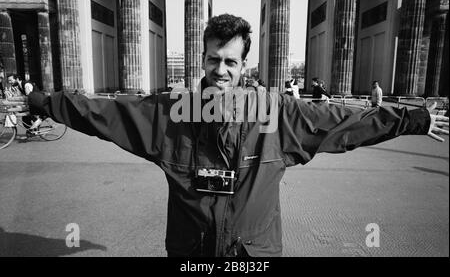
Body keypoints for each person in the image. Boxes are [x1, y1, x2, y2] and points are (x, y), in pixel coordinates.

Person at [28, 14, 449, 257]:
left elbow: (340, 121)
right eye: (214, 59)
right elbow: (102, 112)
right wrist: (44, 101)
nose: (221, 70)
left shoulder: (275, 113)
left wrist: (410, 119)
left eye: (231, 61)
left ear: (244, 64)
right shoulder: (169, 114)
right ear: (203, 59)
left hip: (254, 256)